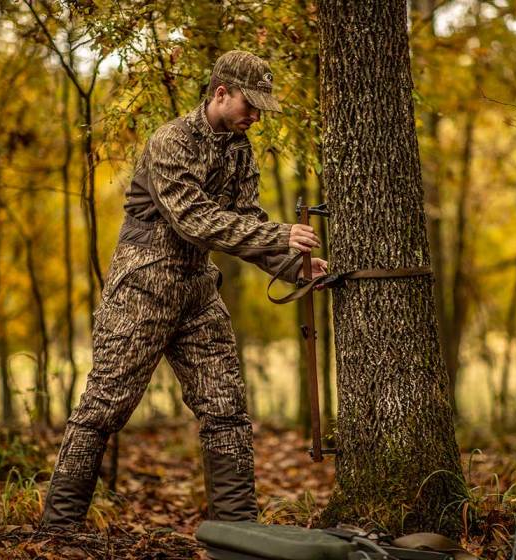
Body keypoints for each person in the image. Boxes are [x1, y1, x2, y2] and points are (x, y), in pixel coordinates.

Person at [41, 50, 328, 527]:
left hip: (197, 291)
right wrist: (281, 234)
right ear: (221, 93)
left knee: (226, 409)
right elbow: (193, 219)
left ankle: (237, 532)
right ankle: (57, 529)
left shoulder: (240, 149)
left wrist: (294, 265)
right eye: (249, 104)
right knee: (102, 408)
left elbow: (244, 222)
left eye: (260, 107)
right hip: (142, 289)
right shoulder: (170, 141)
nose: (255, 116)